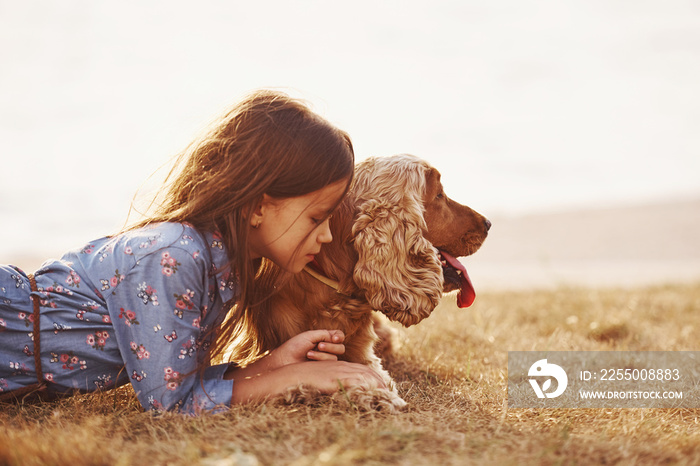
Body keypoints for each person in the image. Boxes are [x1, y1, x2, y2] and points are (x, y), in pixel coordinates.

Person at [0, 90, 386, 414]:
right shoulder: (175, 257)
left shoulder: (226, 269)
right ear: (259, 207)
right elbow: (172, 405)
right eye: (318, 218)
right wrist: (295, 378)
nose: (326, 237)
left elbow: (181, 381)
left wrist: (275, 362)